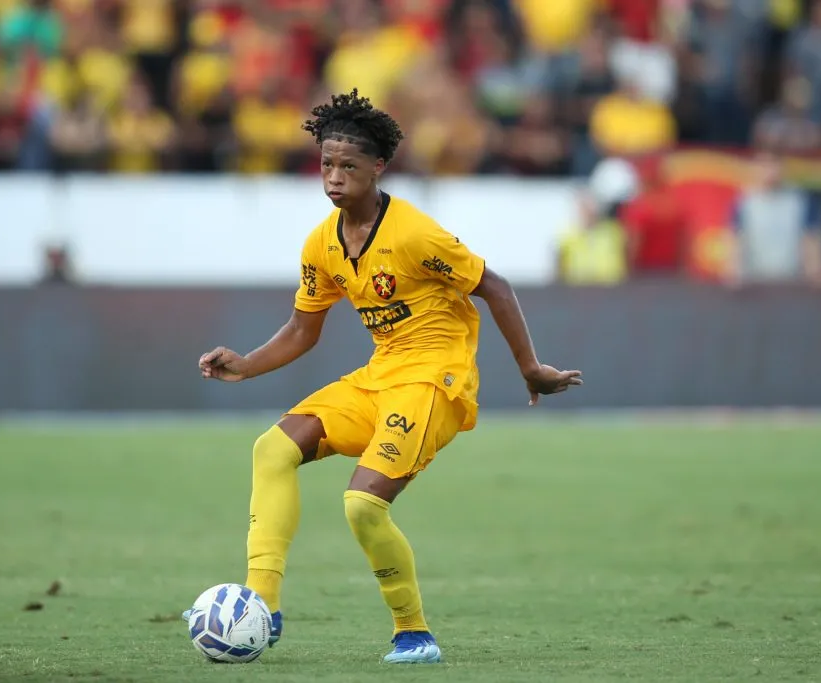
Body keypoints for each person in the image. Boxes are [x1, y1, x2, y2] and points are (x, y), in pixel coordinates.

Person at [183, 89, 583, 664]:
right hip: (380, 377)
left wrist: (531, 369)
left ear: (378, 167)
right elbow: (302, 329)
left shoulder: (414, 234)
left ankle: (413, 633)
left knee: (362, 505)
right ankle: (261, 605)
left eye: (348, 166)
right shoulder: (322, 244)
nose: (334, 177)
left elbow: (494, 286)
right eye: (327, 164)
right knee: (271, 450)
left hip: (434, 383)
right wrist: (245, 365)